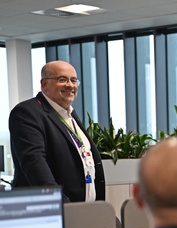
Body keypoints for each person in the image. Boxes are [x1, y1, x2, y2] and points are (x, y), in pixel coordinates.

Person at [9, 60, 105, 202]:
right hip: (51, 210)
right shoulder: (27, 113)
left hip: (85, 210)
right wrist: (64, 207)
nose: (70, 85)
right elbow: (35, 166)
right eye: (62, 80)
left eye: (74, 80)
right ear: (44, 84)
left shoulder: (70, 114)